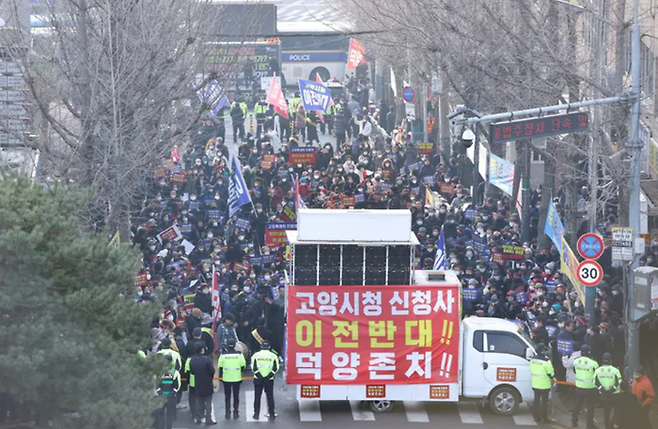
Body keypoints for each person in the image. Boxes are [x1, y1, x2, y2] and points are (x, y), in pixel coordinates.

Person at [188, 342, 216, 425]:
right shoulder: (206, 359)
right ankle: (208, 419)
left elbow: (192, 371)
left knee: (199, 401)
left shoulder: (192, 360)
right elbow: (212, 371)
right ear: (202, 350)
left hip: (198, 382)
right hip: (207, 383)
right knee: (208, 402)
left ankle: (198, 418)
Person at [572, 345, 599, 429]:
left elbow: (574, 371)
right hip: (590, 388)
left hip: (579, 387)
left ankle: (574, 422)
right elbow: (596, 374)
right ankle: (589, 425)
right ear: (589, 352)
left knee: (577, 404)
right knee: (590, 406)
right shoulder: (593, 363)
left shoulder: (576, 361)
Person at [217, 338, 246, 419]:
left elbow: (220, 367)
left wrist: (221, 377)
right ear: (234, 345)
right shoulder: (239, 354)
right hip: (237, 378)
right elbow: (243, 366)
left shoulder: (223, 355)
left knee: (227, 396)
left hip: (226, 378)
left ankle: (227, 413)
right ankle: (236, 412)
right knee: (236, 396)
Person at [251, 340, 279, 420]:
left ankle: (256, 414)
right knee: (270, 397)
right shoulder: (273, 356)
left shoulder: (256, 355)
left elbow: (253, 367)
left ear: (261, 346)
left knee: (257, 397)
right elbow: (276, 368)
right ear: (269, 347)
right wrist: (268, 376)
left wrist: (260, 376)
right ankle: (272, 414)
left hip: (258, 379)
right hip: (269, 379)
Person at [594, 353, 621, 429]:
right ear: (611, 360)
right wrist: (613, 389)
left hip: (604, 395)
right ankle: (614, 425)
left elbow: (595, 381)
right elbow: (619, 381)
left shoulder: (598, 370)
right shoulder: (615, 370)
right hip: (614, 394)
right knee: (617, 410)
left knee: (606, 412)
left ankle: (608, 427)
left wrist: (602, 389)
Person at [530, 343, 555, 424]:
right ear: (543, 351)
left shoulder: (532, 360)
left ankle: (536, 417)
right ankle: (544, 418)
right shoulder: (546, 361)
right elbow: (551, 373)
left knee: (536, 401)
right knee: (544, 402)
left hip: (535, 383)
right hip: (544, 385)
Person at [155, 355, 181, 429]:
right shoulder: (175, 372)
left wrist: (160, 393)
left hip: (160, 396)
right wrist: (172, 393)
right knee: (169, 415)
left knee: (160, 415)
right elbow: (178, 385)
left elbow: (156, 384)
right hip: (171, 397)